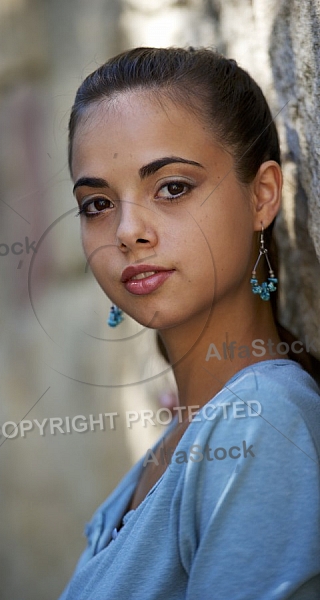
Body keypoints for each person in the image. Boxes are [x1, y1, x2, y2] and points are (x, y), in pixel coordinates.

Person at [59, 47, 320, 599]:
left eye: (172, 187)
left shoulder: (261, 422)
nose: (128, 230)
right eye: (97, 204)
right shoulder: (192, 434)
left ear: (262, 195)